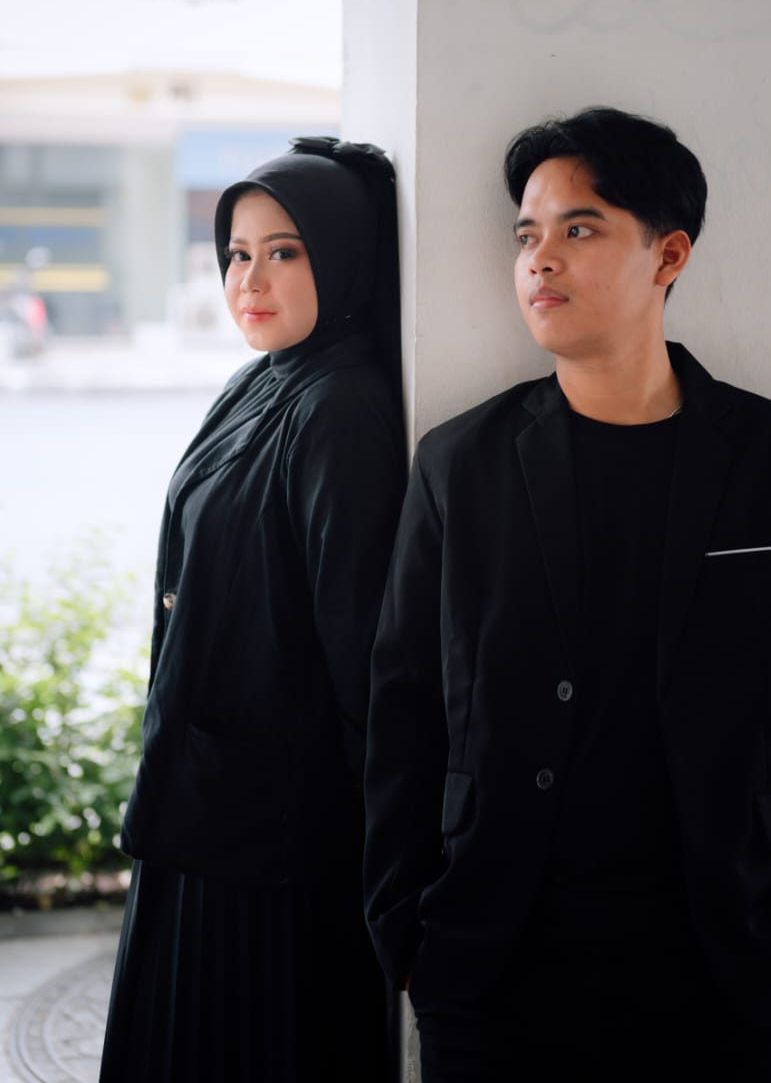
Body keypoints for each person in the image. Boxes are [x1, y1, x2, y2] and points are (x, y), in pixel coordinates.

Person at [363, 107, 771, 1082]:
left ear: (667, 254)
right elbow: (402, 709)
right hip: (495, 964)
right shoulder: (458, 466)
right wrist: (403, 931)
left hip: (721, 967)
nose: (539, 259)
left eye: (578, 228)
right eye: (526, 235)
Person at [99, 137, 406, 1083]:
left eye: (284, 251)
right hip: (205, 804)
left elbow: (363, 651)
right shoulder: (265, 381)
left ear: (344, 257)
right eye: (237, 254)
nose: (249, 280)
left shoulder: (341, 409)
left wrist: (390, 860)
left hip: (272, 844)